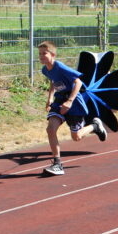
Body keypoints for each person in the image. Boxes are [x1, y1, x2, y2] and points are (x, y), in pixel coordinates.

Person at [38, 41, 106, 176]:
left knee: (76, 137)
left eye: (44, 53)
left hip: (74, 103)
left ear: (53, 55)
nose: (41, 56)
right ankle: (57, 164)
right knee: (50, 129)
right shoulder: (45, 69)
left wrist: (69, 101)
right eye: (39, 54)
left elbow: (78, 82)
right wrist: (50, 98)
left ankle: (95, 126)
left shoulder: (60, 66)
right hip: (59, 102)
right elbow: (53, 81)